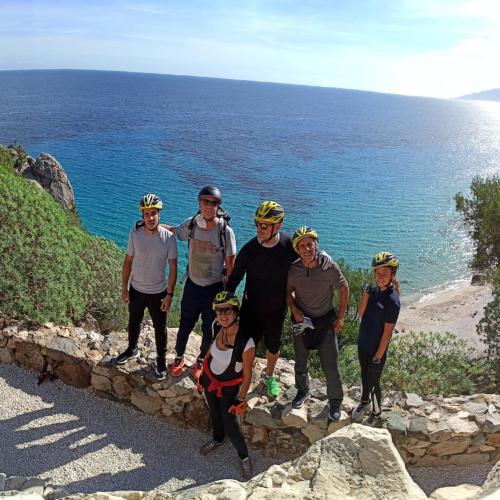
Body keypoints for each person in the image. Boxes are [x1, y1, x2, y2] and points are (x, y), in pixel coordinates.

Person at [227, 201, 333, 398]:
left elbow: (307, 256)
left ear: (278, 225)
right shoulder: (250, 249)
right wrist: (226, 303)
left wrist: (323, 255)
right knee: (242, 343)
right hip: (251, 308)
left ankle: (268, 376)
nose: (259, 228)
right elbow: (235, 278)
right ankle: (239, 375)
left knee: (273, 345)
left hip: (276, 310)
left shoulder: (287, 247)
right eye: (257, 223)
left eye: (264, 225)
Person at [163, 186, 236, 379]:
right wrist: (154, 225)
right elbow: (175, 232)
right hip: (193, 285)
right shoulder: (192, 225)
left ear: (218, 207)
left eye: (214, 203)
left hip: (214, 288)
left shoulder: (225, 231)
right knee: (185, 323)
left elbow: (231, 264)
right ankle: (179, 357)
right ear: (199, 203)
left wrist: (228, 293)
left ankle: (202, 359)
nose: (209, 206)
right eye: (206, 202)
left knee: (209, 327)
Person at [286, 226, 349, 421]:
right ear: (297, 249)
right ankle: (302, 391)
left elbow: (344, 287)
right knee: (300, 362)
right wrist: (295, 311)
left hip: (324, 321)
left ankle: (335, 401)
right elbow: (287, 292)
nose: (307, 249)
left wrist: (341, 317)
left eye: (310, 245)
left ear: (316, 246)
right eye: (302, 246)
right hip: (302, 321)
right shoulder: (294, 269)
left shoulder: (329, 267)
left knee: (331, 366)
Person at [116, 193, 178, 380]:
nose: (150, 218)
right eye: (146, 214)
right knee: (133, 321)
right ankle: (132, 349)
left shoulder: (168, 238)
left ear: (159, 214)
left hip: (158, 292)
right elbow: (128, 261)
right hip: (136, 289)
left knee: (160, 328)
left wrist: (169, 295)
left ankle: (160, 359)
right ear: (142, 216)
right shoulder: (135, 234)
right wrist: (124, 287)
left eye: (153, 213)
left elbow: (173, 267)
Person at [197, 291, 255, 480]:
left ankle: (244, 457)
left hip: (229, 389)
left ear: (236, 313)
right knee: (214, 413)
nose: (223, 316)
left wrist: (241, 399)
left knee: (231, 425)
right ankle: (217, 439)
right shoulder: (216, 327)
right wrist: (202, 373)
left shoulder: (246, 342)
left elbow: (247, 375)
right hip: (210, 381)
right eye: (219, 311)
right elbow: (211, 351)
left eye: (227, 311)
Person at [351, 252, 401, 426]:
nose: (380, 277)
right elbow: (360, 313)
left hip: (376, 350)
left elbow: (387, 334)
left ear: (392, 275)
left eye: (385, 274)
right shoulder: (373, 291)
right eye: (377, 273)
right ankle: (364, 402)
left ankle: (376, 413)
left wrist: (378, 357)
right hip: (363, 343)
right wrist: (366, 294)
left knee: (374, 383)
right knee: (364, 376)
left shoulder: (392, 301)